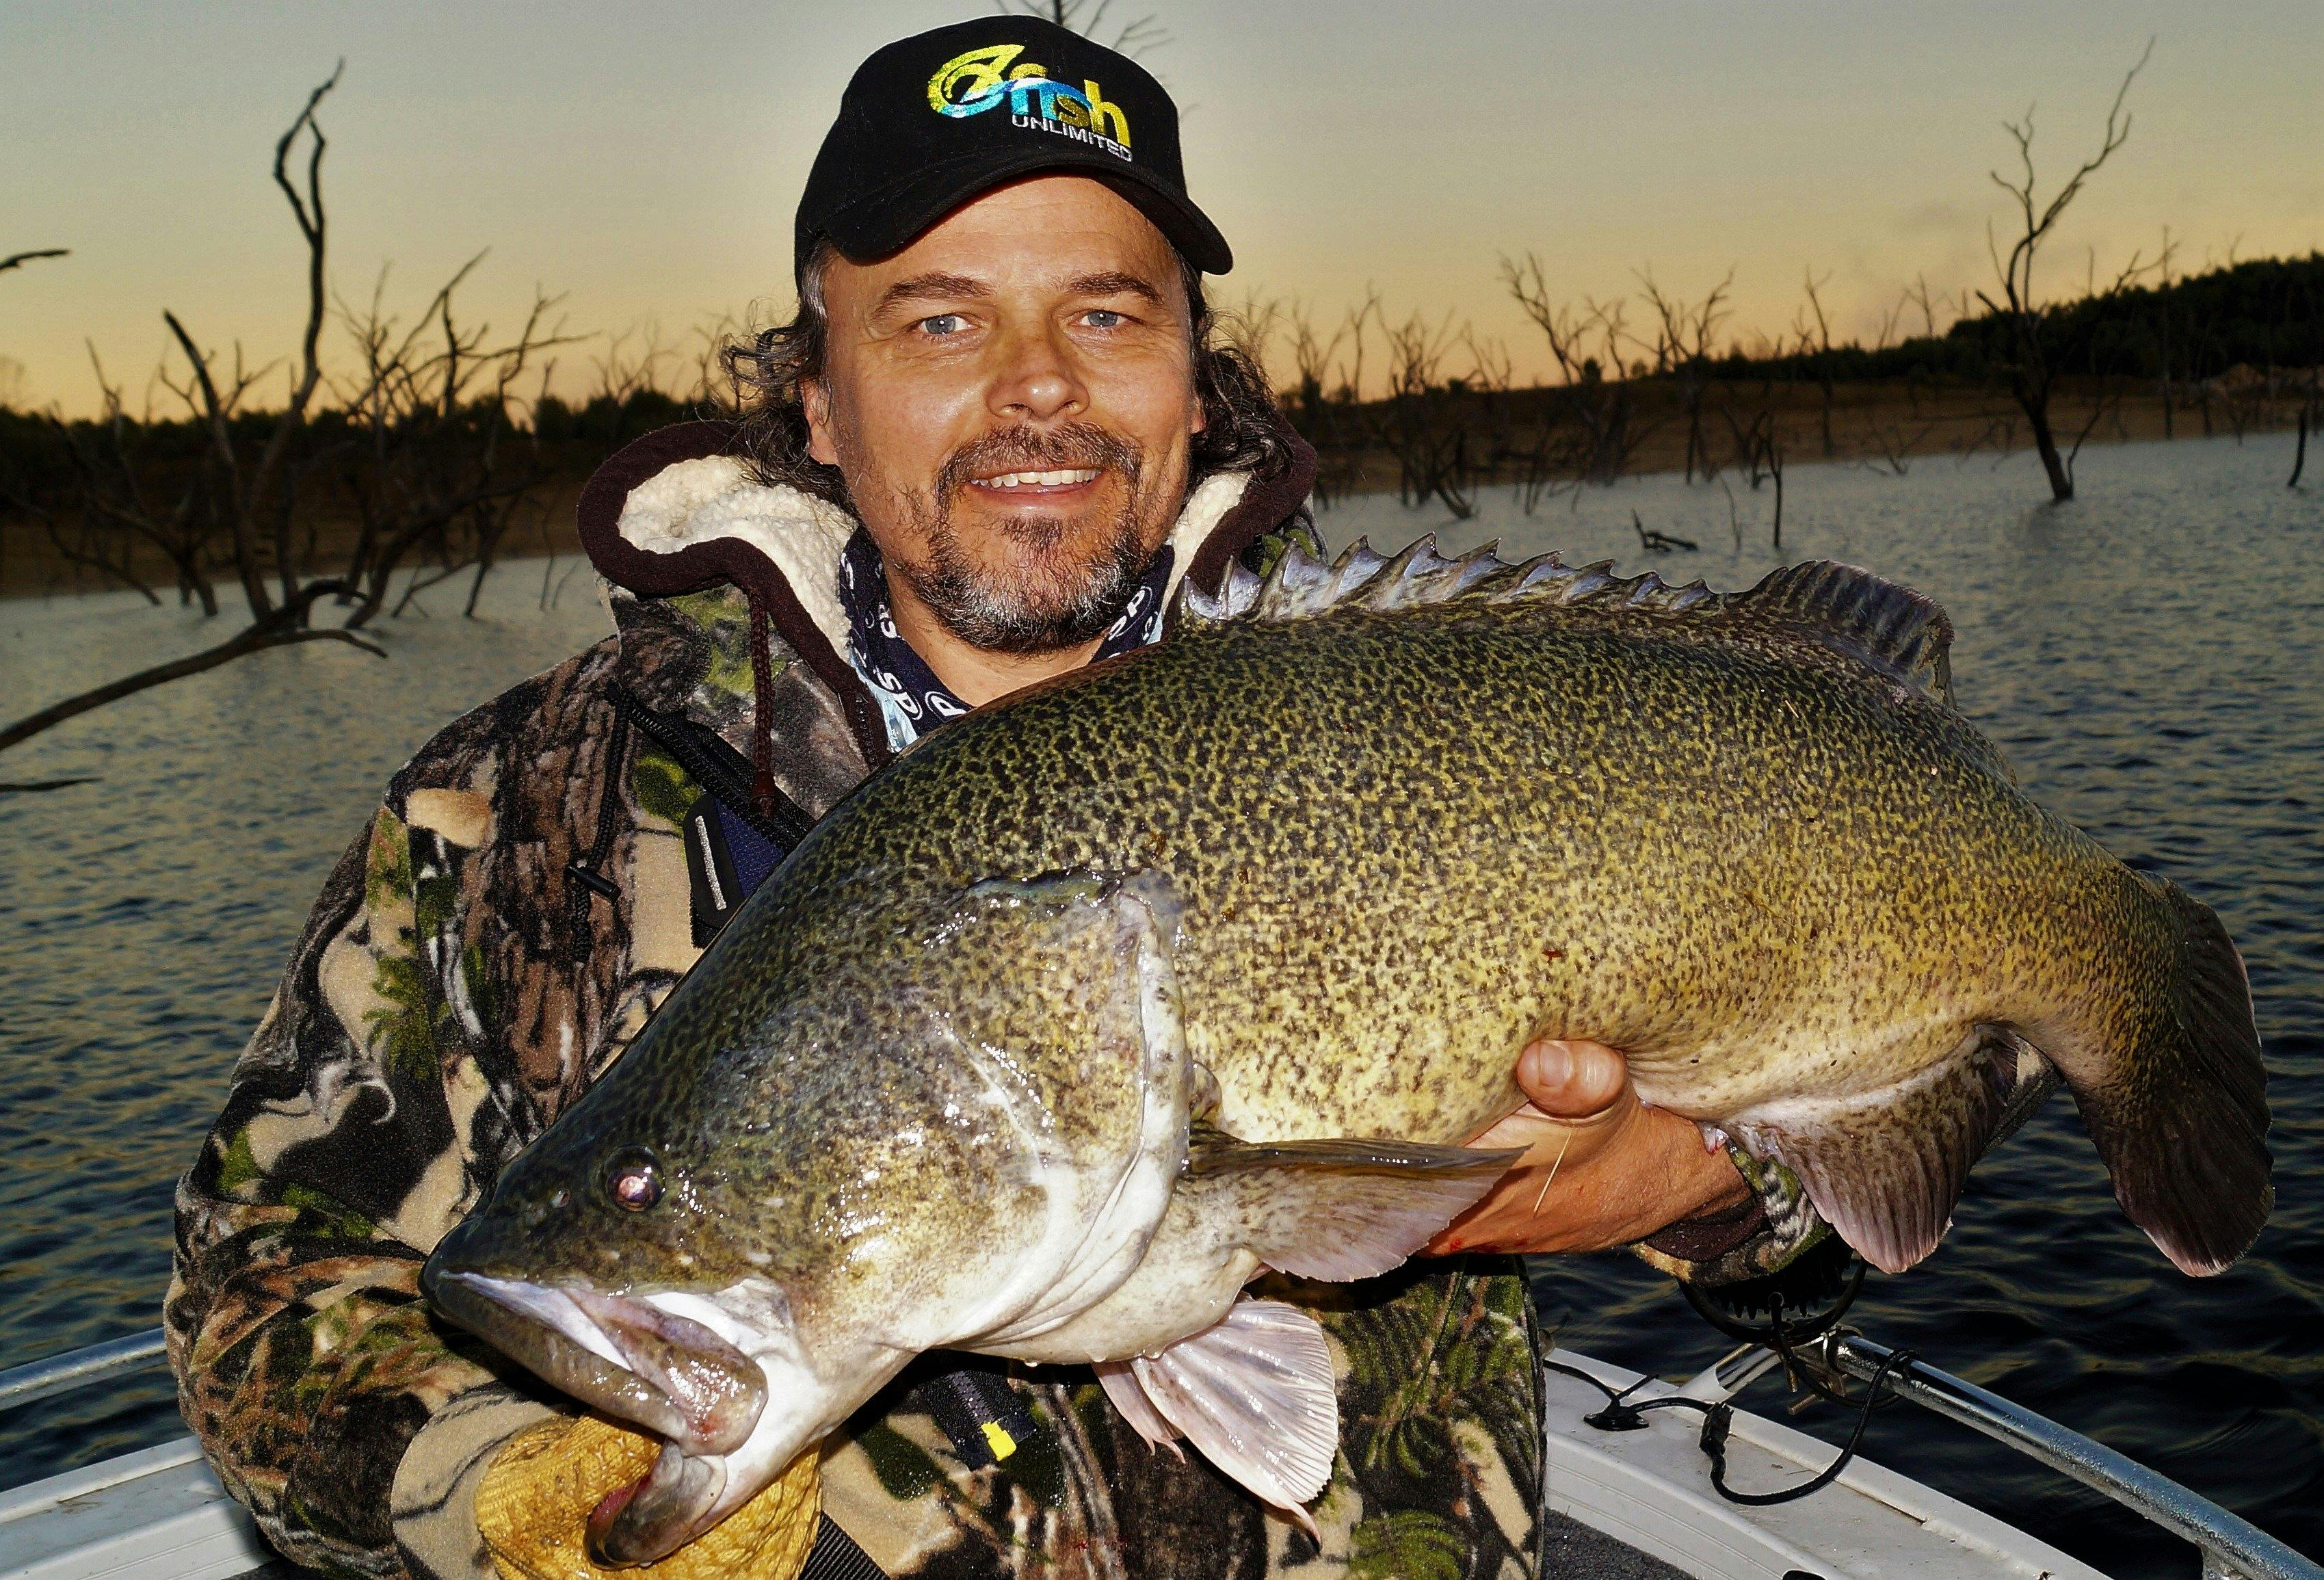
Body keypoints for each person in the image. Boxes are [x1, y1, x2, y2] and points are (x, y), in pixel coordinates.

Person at [168, 17, 1823, 1579]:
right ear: (817, 396)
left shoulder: (1452, 723)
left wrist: (1728, 1191)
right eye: (940, 320)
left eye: (1107, 315)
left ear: (1195, 381)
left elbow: (1886, 1086)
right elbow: (260, 1287)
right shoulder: (509, 810)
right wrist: (497, 1487)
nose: (1038, 388)